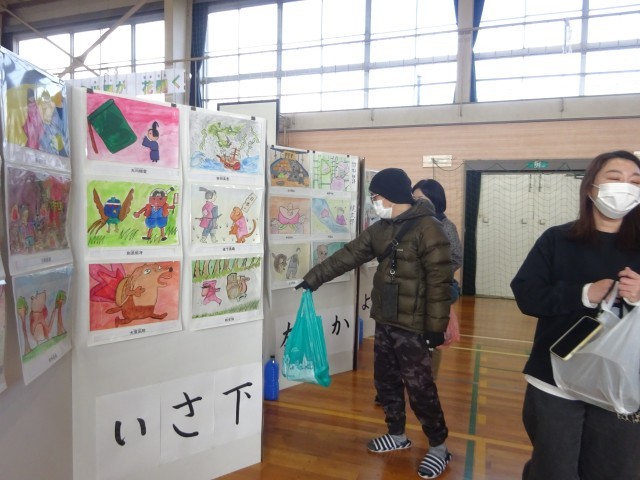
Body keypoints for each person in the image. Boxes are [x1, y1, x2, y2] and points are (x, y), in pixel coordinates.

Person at [296, 167, 454, 479]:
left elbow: (440, 283)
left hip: (415, 324)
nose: (374, 202)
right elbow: (349, 254)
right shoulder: (382, 229)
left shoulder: (429, 229)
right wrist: (313, 278)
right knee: (386, 381)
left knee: (420, 387)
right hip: (386, 318)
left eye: (376, 196)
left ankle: (438, 446)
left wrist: (436, 328)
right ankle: (397, 434)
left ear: (392, 196)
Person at [510, 150, 640, 480]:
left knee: (615, 468)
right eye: (614, 178)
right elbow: (527, 295)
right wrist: (584, 293)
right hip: (555, 378)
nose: (625, 187)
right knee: (553, 468)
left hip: (620, 382)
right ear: (591, 186)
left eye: (635, 182)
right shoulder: (557, 239)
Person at [412, 179, 463, 378]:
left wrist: (433, 273)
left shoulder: (446, 226)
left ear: (435, 200)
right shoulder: (411, 223)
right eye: (414, 198)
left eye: (421, 199)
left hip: (434, 291)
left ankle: (428, 381)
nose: (417, 203)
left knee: (432, 341)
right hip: (412, 290)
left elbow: (456, 258)